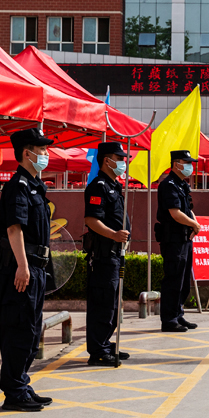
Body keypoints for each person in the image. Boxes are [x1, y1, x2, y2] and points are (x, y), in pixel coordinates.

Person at [0, 128, 54, 412]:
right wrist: (22, 266)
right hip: (23, 267)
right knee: (19, 328)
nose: (45, 154)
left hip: (35, 267)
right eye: (40, 150)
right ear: (27, 153)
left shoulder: (34, 186)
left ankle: (21, 383)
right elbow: (13, 228)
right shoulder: (18, 185)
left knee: (31, 330)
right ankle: (14, 392)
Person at [83, 142, 132, 367]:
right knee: (102, 303)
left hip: (115, 254)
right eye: (118, 158)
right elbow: (91, 220)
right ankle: (98, 350)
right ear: (106, 160)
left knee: (112, 303)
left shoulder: (114, 185)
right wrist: (114, 235)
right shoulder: (98, 186)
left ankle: (105, 342)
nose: (123, 162)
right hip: (103, 255)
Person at [157, 150, 201, 333]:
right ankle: (169, 320)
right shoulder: (168, 185)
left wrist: (193, 223)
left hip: (184, 238)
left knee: (183, 281)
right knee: (173, 280)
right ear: (176, 164)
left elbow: (187, 209)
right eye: (187, 162)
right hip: (173, 239)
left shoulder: (181, 184)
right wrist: (195, 225)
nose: (190, 166)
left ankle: (178, 313)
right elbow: (174, 213)